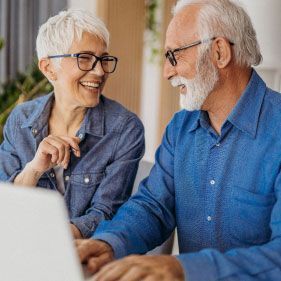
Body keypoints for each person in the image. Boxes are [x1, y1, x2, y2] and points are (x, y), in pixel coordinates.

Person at [76, 0, 281, 280]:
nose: (167, 72)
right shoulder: (180, 129)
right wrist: (108, 243)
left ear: (219, 52)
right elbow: (153, 207)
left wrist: (181, 268)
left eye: (174, 56)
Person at [0, 9, 144, 239]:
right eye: (85, 58)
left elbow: (105, 213)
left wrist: (49, 241)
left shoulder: (125, 129)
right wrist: (34, 169)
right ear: (48, 68)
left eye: (103, 59)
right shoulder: (20, 120)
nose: (99, 71)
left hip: (84, 260)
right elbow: (6, 209)